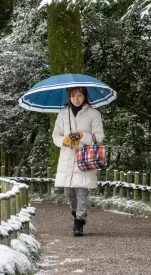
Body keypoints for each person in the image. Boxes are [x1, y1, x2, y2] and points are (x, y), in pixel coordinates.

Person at [52, 87, 104, 236]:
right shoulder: (62, 114)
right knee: (68, 192)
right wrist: (65, 141)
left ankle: (79, 221)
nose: (76, 99)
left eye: (79, 95)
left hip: (85, 157)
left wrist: (82, 135)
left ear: (85, 96)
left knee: (82, 191)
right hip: (68, 158)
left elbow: (98, 137)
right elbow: (55, 136)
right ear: (69, 97)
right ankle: (76, 211)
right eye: (73, 96)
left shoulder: (94, 114)